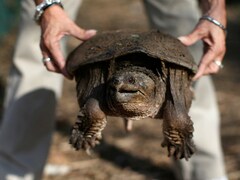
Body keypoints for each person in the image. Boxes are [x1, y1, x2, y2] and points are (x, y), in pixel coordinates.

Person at [0, 0, 228, 179]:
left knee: (193, 54)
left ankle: (204, 171)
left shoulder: (172, 104)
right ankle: (16, 173)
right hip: (102, 59)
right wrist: (47, 5)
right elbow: (94, 107)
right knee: (39, 47)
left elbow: (178, 112)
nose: (118, 89)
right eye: (115, 87)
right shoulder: (109, 90)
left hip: (166, 61)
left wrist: (215, 12)